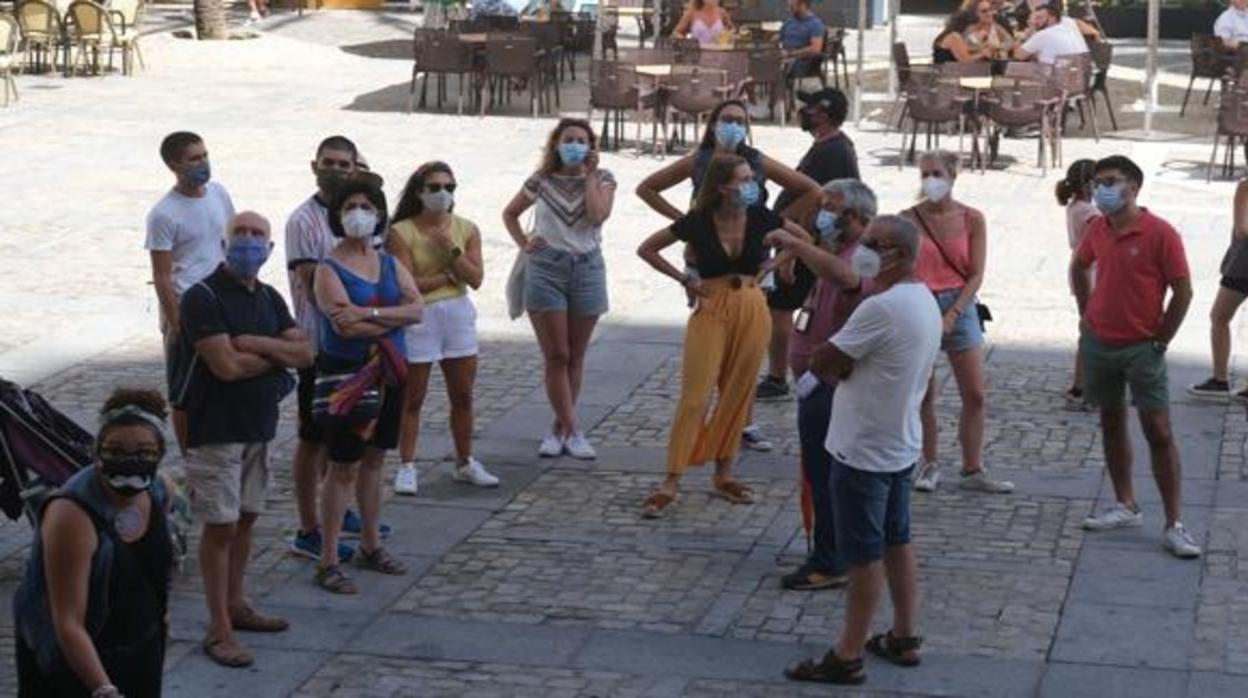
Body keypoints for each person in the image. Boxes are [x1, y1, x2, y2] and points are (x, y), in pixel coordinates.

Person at [785, 215, 942, 686]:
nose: (865, 250)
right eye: (866, 241)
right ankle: (904, 634)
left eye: (877, 244)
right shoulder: (923, 299)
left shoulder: (882, 308)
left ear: (902, 255)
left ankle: (847, 653)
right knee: (897, 540)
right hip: (899, 443)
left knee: (864, 554)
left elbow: (824, 359)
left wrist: (838, 362)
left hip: (864, 448)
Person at [636, 154, 811, 518]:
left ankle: (724, 473)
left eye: (752, 178)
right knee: (695, 395)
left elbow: (804, 239)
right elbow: (647, 248)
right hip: (711, 305)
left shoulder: (761, 216)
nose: (753, 185)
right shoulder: (699, 221)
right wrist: (684, 277)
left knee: (737, 391)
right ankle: (671, 478)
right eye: (743, 180)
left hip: (751, 304)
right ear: (721, 187)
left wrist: (775, 263)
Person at [636, 100, 820, 446]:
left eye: (739, 120)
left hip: (753, 259)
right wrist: (685, 222)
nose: (733, 125)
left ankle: (743, 421)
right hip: (708, 260)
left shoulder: (757, 161)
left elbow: (811, 190)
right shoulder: (699, 160)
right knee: (713, 337)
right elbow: (647, 188)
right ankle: (707, 419)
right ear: (713, 123)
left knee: (748, 343)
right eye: (726, 119)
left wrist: (779, 220)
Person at [177, 211, 310, 667]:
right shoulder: (203, 297)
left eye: (258, 235)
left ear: (270, 249)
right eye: (241, 234)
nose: (249, 242)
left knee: (246, 519)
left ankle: (237, 602)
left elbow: (306, 352)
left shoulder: (269, 297)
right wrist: (277, 356)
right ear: (224, 241)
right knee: (220, 527)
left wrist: (255, 344)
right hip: (215, 430)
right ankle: (219, 629)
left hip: (259, 427)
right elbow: (225, 367)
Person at [1072, 156, 1201, 559]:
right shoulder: (1098, 228)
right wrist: (1086, 313)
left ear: (1134, 187)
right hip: (1100, 342)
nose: (1101, 190)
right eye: (1097, 182)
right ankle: (1124, 503)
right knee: (1111, 420)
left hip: (1143, 346)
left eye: (1110, 182)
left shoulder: (1161, 233)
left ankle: (1174, 521)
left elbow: (1183, 291)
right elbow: (1079, 266)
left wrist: (1161, 340)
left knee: (1158, 430)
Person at [13, 389, 175, 698]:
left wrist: (160, 621)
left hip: (139, 647)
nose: (129, 461)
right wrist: (103, 688)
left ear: (160, 453)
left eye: (143, 452)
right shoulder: (71, 515)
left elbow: (157, 565)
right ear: (96, 452)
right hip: (74, 663)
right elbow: (68, 623)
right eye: (115, 450)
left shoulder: (158, 490)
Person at [313, 179, 425, 594]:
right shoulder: (328, 269)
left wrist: (370, 313)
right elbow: (342, 321)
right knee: (342, 465)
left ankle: (370, 543)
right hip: (349, 375)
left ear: (380, 213)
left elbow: (417, 310)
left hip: (390, 371)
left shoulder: (390, 264)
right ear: (339, 215)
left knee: (375, 460)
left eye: (367, 206)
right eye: (351, 206)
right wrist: (389, 315)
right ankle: (327, 556)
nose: (359, 213)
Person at [766, 179, 878, 591]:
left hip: (832, 385)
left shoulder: (863, 255)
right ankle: (834, 550)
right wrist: (799, 243)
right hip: (816, 383)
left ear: (859, 217)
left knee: (828, 475)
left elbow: (847, 278)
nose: (823, 216)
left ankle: (832, 558)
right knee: (820, 473)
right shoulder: (835, 249)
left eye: (831, 209)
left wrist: (798, 246)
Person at [502, 118, 616, 460]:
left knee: (576, 355)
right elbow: (510, 213)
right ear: (556, 144)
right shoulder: (541, 180)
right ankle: (572, 427)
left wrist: (591, 177)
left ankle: (559, 426)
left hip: (587, 267)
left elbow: (597, 216)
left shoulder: (604, 179)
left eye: (582, 140)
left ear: (591, 146)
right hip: (546, 267)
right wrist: (524, 243)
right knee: (557, 354)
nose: (575, 146)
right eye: (569, 139)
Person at [903, 150, 1012, 494]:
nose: (930, 181)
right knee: (923, 393)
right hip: (920, 303)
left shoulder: (971, 219)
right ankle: (928, 461)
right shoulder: (907, 220)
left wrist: (953, 313)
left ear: (952, 176)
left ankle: (972, 465)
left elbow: (976, 273)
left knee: (976, 393)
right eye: (925, 174)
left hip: (959, 304)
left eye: (936, 173)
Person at [389, 161, 498, 493]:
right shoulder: (401, 232)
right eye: (434, 188)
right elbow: (408, 285)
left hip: (458, 317)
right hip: (421, 318)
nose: (442, 194)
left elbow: (476, 278)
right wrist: (449, 276)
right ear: (420, 191)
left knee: (462, 395)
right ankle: (407, 464)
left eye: (448, 188)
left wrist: (450, 250)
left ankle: (465, 461)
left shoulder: (466, 229)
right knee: (414, 397)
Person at [285, 135, 363, 563]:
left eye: (344, 164)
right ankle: (307, 526)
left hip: (357, 346)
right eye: (329, 162)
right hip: (319, 344)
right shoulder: (303, 221)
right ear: (315, 165)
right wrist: (357, 312)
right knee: (312, 437)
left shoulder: (361, 216)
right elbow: (313, 286)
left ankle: (340, 507)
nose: (336, 170)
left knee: (349, 435)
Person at [760, 88, 861, 403]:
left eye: (810, 108)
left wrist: (792, 250)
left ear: (825, 113)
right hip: (804, 242)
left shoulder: (832, 151)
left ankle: (780, 377)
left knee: (781, 309)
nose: (803, 111)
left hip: (809, 244)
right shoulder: (826, 147)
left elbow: (818, 202)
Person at [145, 131, 235, 453]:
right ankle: (188, 453)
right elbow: (162, 274)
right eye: (194, 158)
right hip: (187, 303)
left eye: (205, 155)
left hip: (221, 299)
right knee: (184, 386)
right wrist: (176, 322)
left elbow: (230, 240)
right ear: (174, 165)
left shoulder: (219, 194)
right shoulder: (164, 214)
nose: (203, 163)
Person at [1191, 178, 1248, 401]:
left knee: (1219, 317)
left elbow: (1242, 229)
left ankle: (1220, 379)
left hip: (1242, 266)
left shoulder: (1245, 186)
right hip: (1241, 265)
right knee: (1219, 317)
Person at [1056, 159, 1099, 409]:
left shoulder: (1074, 207)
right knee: (1092, 329)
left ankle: (1082, 382)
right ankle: (1082, 384)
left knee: (1088, 327)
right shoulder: (1090, 213)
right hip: (1091, 273)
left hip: (1081, 269)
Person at [1012, 2, 1089, 65]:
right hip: (1080, 77)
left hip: (1057, 79)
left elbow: (1018, 55)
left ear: (1052, 18)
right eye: (1035, 18)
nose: (1036, 22)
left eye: (1040, 18)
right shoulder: (1068, 28)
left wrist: (1019, 38)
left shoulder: (1044, 34)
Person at [780, 0, 826, 83]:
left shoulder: (815, 24)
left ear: (802, 5)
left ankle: (779, 93)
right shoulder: (789, 22)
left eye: (791, 7)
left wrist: (791, 53)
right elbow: (778, 38)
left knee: (772, 72)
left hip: (801, 61)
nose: (789, 10)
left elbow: (815, 49)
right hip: (783, 58)